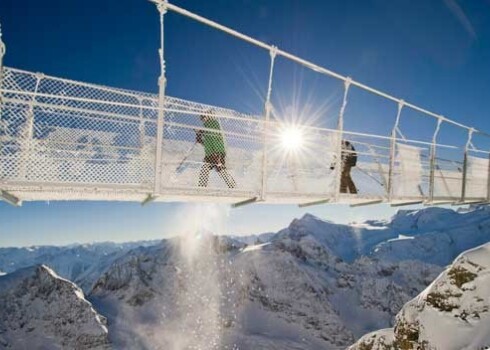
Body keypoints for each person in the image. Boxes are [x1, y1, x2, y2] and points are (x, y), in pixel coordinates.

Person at [196, 110, 236, 188]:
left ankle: (232, 186)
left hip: (216, 152)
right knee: (206, 169)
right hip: (210, 153)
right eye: (201, 118)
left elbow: (216, 139)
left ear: (208, 116)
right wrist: (199, 135)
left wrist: (217, 154)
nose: (202, 119)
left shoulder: (213, 124)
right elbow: (206, 143)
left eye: (203, 117)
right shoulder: (207, 126)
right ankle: (202, 187)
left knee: (220, 169)